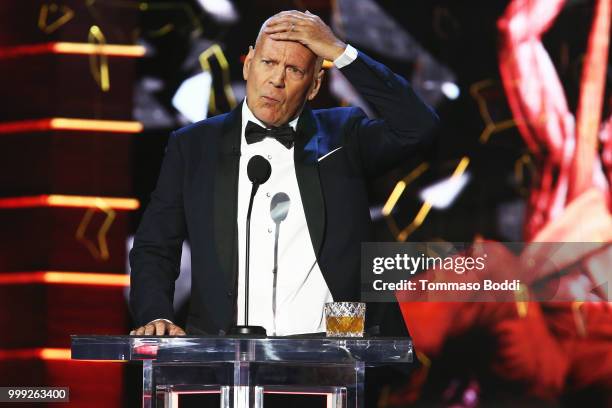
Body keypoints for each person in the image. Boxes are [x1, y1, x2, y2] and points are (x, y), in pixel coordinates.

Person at [129, 10, 438, 339]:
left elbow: (418, 127)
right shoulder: (193, 146)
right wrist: (156, 314)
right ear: (248, 64)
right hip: (227, 357)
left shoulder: (343, 134)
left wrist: (338, 51)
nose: (276, 79)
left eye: (293, 69)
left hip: (334, 355)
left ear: (314, 84)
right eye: (268, 63)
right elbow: (155, 245)